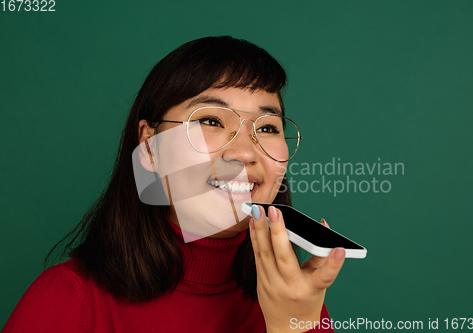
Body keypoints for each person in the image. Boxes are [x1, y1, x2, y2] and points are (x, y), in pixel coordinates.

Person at [2, 36, 345, 333]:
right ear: (150, 147)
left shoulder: (298, 304)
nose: (244, 152)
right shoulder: (68, 299)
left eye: (268, 127)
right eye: (211, 120)